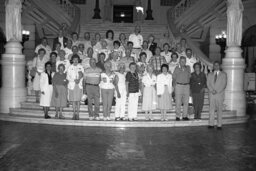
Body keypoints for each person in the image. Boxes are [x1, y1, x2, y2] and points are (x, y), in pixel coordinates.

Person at [207, 61, 227, 130]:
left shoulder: (223, 74)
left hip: (219, 94)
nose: (216, 66)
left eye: (217, 65)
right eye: (215, 65)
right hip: (211, 94)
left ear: (220, 66)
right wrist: (212, 90)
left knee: (219, 110)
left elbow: (224, 85)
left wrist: (217, 91)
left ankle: (219, 125)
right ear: (213, 66)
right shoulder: (209, 74)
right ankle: (211, 124)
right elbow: (208, 83)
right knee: (211, 109)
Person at [172, 56, 191, 121]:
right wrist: (174, 87)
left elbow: (189, 77)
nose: (183, 62)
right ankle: (178, 116)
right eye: (181, 61)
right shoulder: (176, 68)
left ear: (185, 62)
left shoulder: (188, 68)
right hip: (179, 86)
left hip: (186, 86)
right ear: (179, 62)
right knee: (178, 102)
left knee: (186, 102)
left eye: (184, 61)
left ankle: (185, 116)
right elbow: (174, 78)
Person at [67, 54, 84, 120]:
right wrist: (74, 80)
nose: (75, 61)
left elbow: (82, 75)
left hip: (79, 85)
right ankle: (74, 113)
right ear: (72, 60)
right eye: (74, 60)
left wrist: (79, 79)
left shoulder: (81, 67)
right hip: (72, 85)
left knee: (78, 101)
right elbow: (68, 77)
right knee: (74, 101)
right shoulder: (69, 67)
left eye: (77, 60)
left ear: (78, 60)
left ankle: (78, 114)